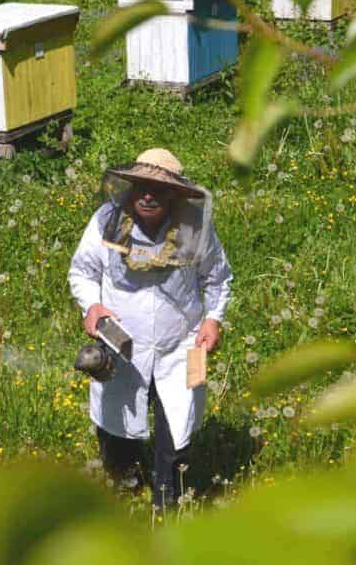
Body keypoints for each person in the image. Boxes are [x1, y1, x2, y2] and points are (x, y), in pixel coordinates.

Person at [68, 148, 232, 509]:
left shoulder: (194, 227)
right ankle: (125, 484)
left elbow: (217, 278)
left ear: (174, 194)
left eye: (158, 189)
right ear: (131, 187)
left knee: (181, 423)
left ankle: (167, 499)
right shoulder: (107, 219)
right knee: (115, 419)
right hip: (121, 340)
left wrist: (213, 318)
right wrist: (91, 304)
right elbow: (82, 271)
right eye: (142, 187)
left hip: (185, 343)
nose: (147, 195)